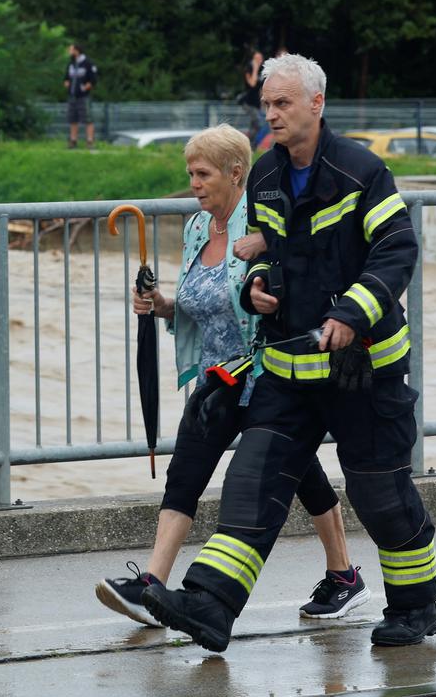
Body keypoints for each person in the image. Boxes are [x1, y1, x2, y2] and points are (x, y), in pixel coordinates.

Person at [144, 52, 436, 652]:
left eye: (282, 104)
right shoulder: (268, 179)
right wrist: (259, 294)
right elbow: (281, 260)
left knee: (380, 495)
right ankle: (209, 607)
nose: (272, 115)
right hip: (287, 372)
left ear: (316, 104)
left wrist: (351, 315)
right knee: (251, 484)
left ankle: (414, 607)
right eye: (266, 105)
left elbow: (396, 249)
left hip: (365, 372)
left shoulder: (362, 171)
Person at [96, 124, 366, 627]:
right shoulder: (200, 228)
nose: (193, 184)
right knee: (187, 473)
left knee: (301, 474)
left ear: (235, 173)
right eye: (190, 174)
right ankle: (151, 586)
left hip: (269, 376)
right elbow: (198, 308)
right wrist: (158, 305)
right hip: (217, 380)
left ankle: (344, 577)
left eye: (202, 174)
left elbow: (290, 292)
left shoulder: (262, 226)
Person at [63, 43, 99, 149]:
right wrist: (66, 84)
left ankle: (90, 141)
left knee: (88, 119)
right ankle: (73, 141)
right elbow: (66, 77)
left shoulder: (88, 63)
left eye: (71, 49)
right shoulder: (71, 63)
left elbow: (93, 80)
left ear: (77, 51)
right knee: (73, 119)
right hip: (72, 96)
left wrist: (84, 88)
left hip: (83, 97)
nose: (69, 51)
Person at [240, 50, 265, 146]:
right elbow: (252, 83)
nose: (259, 60)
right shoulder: (249, 69)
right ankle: (249, 144)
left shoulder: (262, 71)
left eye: (260, 58)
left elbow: (261, 88)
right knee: (259, 124)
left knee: (253, 126)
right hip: (248, 102)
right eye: (257, 58)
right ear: (253, 59)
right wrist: (255, 68)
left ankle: (248, 147)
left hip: (256, 103)